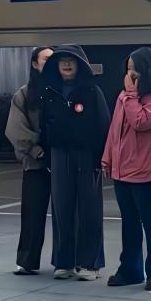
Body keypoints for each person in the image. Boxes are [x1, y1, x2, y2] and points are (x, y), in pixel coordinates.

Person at [103, 47, 151, 292]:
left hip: (145, 169)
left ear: (148, 70)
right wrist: (108, 158)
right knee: (129, 221)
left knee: (150, 220)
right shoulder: (124, 96)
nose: (130, 74)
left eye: (135, 69)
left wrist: (131, 95)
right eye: (128, 69)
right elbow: (115, 129)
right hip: (122, 169)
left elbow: (140, 122)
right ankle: (130, 271)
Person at [40, 45, 110, 280]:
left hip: (87, 157)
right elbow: (43, 126)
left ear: (80, 65)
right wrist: (47, 157)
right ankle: (64, 261)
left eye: (71, 60)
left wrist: (101, 158)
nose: (67, 64)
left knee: (90, 210)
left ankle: (90, 263)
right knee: (61, 210)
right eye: (62, 61)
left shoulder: (92, 92)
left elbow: (104, 125)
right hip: (60, 156)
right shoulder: (50, 92)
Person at [6, 46, 53, 274]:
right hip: (35, 164)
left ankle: (65, 262)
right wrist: (36, 150)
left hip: (62, 162)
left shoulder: (64, 91)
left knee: (67, 216)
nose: (50, 63)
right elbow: (15, 129)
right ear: (35, 64)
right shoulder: (24, 95)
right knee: (32, 215)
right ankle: (27, 261)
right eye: (45, 59)